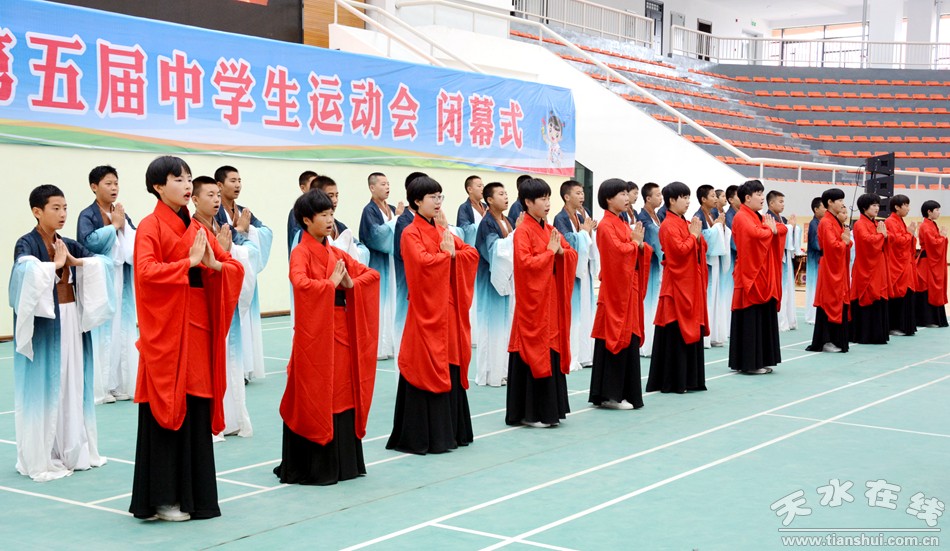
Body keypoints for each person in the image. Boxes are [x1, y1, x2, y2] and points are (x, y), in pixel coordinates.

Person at [130, 156, 244, 521]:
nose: (186, 185)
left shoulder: (197, 228)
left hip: (198, 329)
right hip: (168, 330)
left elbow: (232, 266)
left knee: (195, 407)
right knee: (167, 406)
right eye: (177, 179)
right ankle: (163, 499)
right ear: (158, 187)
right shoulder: (150, 226)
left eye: (188, 178)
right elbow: (145, 272)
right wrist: (188, 263)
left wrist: (213, 265)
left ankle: (195, 497)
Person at [275, 189, 379, 485]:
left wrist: (350, 284)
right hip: (315, 334)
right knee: (315, 389)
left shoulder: (336, 253)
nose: (330, 219)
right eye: (323, 215)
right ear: (307, 220)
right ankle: (313, 466)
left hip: (341, 330)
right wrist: (329, 284)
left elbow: (370, 275)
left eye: (331, 213)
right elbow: (299, 282)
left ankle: (345, 465)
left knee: (342, 390)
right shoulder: (301, 252)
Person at [11, 185, 112, 482]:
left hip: (72, 320)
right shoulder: (26, 243)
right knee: (47, 385)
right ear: (37, 211)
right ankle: (41, 455)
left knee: (73, 381)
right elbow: (22, 273)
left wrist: (77, 263)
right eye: (55, 208)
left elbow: (102, 263)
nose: (63, 214)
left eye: (65, 207)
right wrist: (53, 266)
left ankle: (73, 450)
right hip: (47, 325)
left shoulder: (67, 243)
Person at [387, 177, 479, 454]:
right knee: (424, 365)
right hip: (426, 312)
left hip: (447, 310)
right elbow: (421, 264)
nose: (438, 203)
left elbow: (470, 253)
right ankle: (425, 436)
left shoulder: (442, 230)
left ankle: (452, 432)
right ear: (417, 201)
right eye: (432, 197)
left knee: (450, 362)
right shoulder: (410, 233)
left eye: (440, 197)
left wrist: (452, 255)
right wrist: (446, 256)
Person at [506, 178, 578, 428]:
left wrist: (560, 253)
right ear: (528, 202)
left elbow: (570, 253)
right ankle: (530, 413)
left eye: (549, 198)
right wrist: (550, 253)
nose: (547, 204)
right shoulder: (523, 231)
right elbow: (525, 264)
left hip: (551, 304)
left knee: (551, 351)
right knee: (532, 352)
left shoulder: (549, 229)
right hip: (533, 306)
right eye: (542, 199)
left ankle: (549, 411)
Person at [192, 176, 253, 439]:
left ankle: (232, 419)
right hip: (207, 303)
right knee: (215, 362)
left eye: (218, 195)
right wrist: (224, 253)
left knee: (231, 361)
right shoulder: (194, 229)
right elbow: (200, 264)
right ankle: (217, 421)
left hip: (226, 299)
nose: (216, 200)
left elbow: (237, 254)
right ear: (195, 199)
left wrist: (228, 251)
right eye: (210, 195)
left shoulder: (220, 225)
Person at [76, 165, 137, 405]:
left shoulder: (121, 213)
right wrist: (113, 227)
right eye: (108, 183)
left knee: (121, 329)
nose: (114, 188)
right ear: (94, 187)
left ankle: (119, 384)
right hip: (100, 279)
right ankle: (101, 387)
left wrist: (123, 226)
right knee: (103, 330)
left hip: (121, 277)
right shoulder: (87, 215)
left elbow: (135, 239)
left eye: (116, 183)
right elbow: (88, 242)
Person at [589, 179, 651, 409]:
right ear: (608, 199)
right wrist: (635, 244)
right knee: (615, 339)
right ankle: (610, 396)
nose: (627, 198)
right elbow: (617, 254)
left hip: (628, 292)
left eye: (627, 193)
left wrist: (641, 246)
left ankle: (622, 393)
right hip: (615, 294)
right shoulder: (606, 225)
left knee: (629, 340)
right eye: (622, 194)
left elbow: (634, 247)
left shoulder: (622, 222)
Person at [647, 181, 708, 394]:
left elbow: (701, 246)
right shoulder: (668, 225)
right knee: (675, 330)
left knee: (690, 329)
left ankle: (691, 379)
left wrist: (696, 237)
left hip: (691, 283)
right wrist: (693, 236)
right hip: (676, 286)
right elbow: (679, 252)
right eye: (684, 197)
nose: (688, 201)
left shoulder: (685, 222)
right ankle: (674, 381)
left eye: (688, 197)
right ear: (672, 200)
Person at [214, 165, 273, 382]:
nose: (238, 185)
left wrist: (249, 229)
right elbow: (220, 239)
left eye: (239, 180)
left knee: (246, 323)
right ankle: (231, 370)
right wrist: (239, 230)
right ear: (219, 185)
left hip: (245, 274)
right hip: (228, 273)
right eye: (233, 181)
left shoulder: (243, 211)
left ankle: (245, 369)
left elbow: (265, 232)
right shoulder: (216, 211)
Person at [729, 180, 783, 374]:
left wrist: (771, 229)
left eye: (762, 193)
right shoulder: (742, 216)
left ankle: (759, 360)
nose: (762, 198)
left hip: (762, 275)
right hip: (750, 275)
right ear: (747, 198)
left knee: (761, 319)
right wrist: (770, 229)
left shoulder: (757, 216)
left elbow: (780, 228)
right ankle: (749, 363)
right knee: (750, 319)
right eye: (758, 194)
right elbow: (755, 234)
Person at [474, 182, 515, 387]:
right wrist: (517, 234)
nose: (505, 197)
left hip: (507, 280)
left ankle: (504, 370)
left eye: (506, 193)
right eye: (501, 194)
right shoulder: (487, 223)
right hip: (490, 281)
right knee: (491, 326)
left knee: (506, 325)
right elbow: (494, 250)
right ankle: (489, 374)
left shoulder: (507, 221)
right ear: (489, 200)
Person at [553, 180, 597, 371]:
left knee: (586, 311)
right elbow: (567, 241)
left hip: (583, 268)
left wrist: (588, 232)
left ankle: (585, 355)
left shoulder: (580, 215)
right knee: (574, 313)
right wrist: (584, 233)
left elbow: (584, 239)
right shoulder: (560, 218)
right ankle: (572, 355)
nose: (582, 196)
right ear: (566, 197)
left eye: (582, 193)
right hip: (570, 270)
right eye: (577, 193)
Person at [359, 172, 403, 360]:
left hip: (394, 263)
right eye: (383, 184)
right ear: (372, 187)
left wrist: (398, 218)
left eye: (388, 184)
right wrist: (396, 219)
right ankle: (379, 348)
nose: (387, 187)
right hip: (379, 264)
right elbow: (375, 236)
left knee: (394, 301)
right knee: (380, 305)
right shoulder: (369, 211)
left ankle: (392, 345)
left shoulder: (392, 209)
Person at [806, 188, 852, 353]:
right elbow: (832, 246)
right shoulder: (826, 222)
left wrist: (846, 242)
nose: (842, 204)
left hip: (838, 267)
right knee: (829, 300)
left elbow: (842, 242)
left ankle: (836, 339)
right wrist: (844, 242)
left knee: (839, 299)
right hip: (830, 268)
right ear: (830, 203)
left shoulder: (835, 221)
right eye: (839, 200)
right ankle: (826, 340)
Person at [393, 171, 427, 362]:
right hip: (408, 279)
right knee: (406, 323)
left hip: (426, 284)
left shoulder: (429, 219)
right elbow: (405, 252)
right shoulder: (404, 221)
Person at [849, 193, 890, 345]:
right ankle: (864, 335)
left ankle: (877, 334)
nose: (877, 208)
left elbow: (885, 238)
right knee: (867, 296)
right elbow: (867, 241)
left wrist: (885, 236)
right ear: (864, 208)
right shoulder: (860, 224)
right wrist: (881, 236)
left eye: (878, 205)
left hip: (878, 266)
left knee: (879, 295)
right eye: (873, 205)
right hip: (865, 266)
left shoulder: (875, 223)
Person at [692, 184, 728, 347]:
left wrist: (720, 226)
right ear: (703, 199)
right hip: (706, 262)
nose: (715, 199)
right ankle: (706, 336)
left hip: (714, 261)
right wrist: (717, 227)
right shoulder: (698, 216)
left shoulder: (711, 214)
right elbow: (702, 237)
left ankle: (714, 333)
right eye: (712, 196)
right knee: (708, 298)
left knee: (715, 298)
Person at [310, 175, 369, 264]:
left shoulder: (340, 227)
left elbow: (361, 249)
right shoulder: (308, 228)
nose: (335, 200)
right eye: (330, 196)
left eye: (336, 195)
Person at [636, 183, 664, 357]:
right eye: (658, 195)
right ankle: (646, 345)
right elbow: (658, 239)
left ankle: (653, 343)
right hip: (650, 267)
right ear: (648, 198)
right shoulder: (643, 219)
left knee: (656, 304)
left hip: (656, 266)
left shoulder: (656, 216)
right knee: (650, 303)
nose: (661, 198)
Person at [766, 190, 800, 332]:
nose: (782, 204)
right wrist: (790, 227)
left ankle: (788, 320)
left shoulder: (783, 219)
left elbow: (786, 233)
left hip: (785, 258)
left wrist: (793, 228)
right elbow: (777, 233)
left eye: (783, 202)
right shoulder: (768, 218)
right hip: (776, 259)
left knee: (787, 289)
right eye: (780, 202)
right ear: (771, 203)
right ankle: (780, 321)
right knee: (780, 289)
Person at [884, 194, 917, 336]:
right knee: (898, 295)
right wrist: (910, 234)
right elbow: (898, 242)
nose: (908, 208)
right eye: (906, 205)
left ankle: (905, 326)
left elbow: (907, 241)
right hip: (896, 264)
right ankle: (895, 326)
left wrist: (910, 235)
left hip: (905, 263)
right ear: (897, 207)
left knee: (906, 295)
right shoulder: (890, 222)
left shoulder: (900, 221)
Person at [915, 200, 948, 328]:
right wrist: (942, 237)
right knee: (926, 288)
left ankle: (933, 319)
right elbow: (933, 244)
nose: (939, 212)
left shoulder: (932, 224)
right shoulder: (925, 226)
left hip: (930, 261)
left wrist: (941, 238)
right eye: (937, 210)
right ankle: (927, 320)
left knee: (932, 288)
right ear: (929, 212)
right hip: (926, 262)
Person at [288, 170, 317, 258]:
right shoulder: (297, 212)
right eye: (312, 184)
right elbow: (296, 239)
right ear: (303, 188)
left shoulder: (321, 210)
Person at [805, 197, 825, 325]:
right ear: (816, 209)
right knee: (813, 287)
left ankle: (814, 314)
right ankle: (811, 315)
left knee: (817, 287)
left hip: (818, 260)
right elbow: (816, 244)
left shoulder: (820, 223)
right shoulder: (814, 224)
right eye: (823, 207)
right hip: (814, 261)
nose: (826, 210)